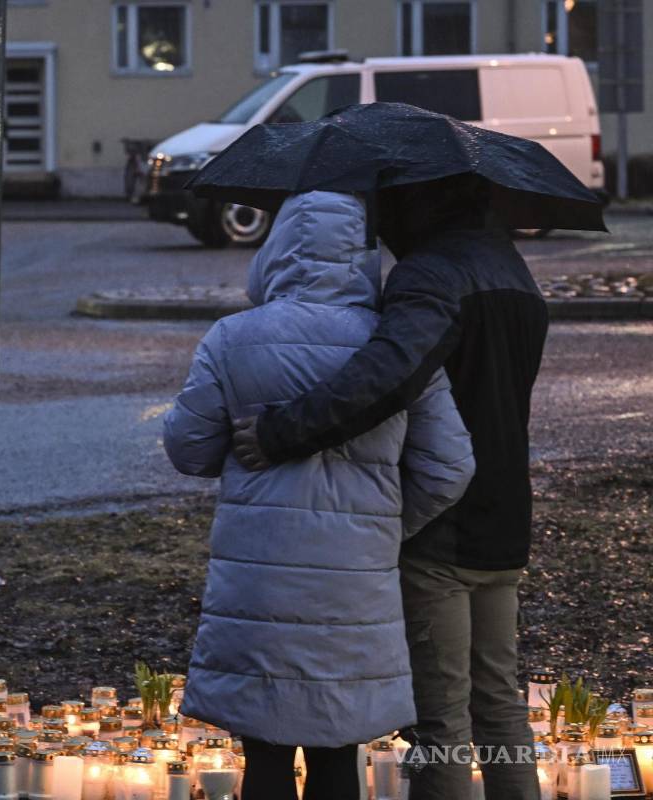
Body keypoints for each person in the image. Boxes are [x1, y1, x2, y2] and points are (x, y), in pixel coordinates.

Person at [232, 174, 549, 800]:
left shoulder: (431, 277)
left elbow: (387, 377)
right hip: (505, 517)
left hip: (442, 526)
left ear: (421, 203)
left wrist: (282, 431)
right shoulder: (514, 272)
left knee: (441, 724)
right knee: (500, 707)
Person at [163, 191, 475, 800]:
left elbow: (188, 451)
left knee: (267, 758)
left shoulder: (233, 340)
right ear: (361, 257)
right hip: (356, 585)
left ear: (277, 251)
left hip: (257, 588)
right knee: (338, 756)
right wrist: (382, 525)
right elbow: (449, 466)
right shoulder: (395, 348)